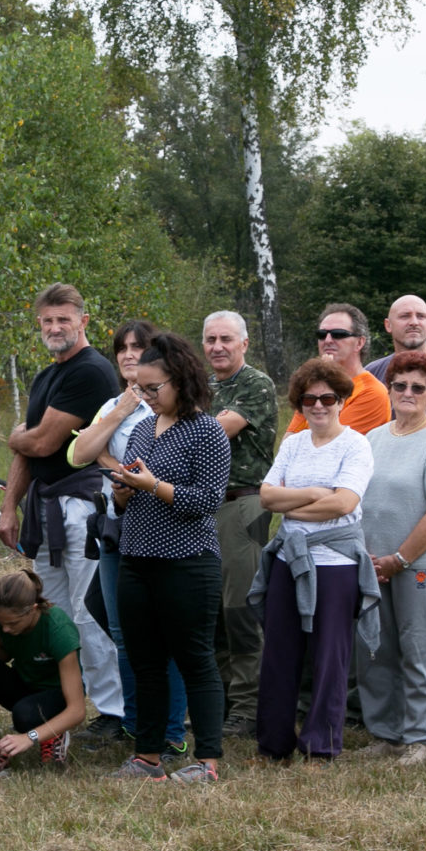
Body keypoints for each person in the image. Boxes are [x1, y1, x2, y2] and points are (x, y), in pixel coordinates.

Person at [0, 284, 128, 740]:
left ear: (83, 321)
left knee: (89, 613)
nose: (55, 328)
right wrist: (8, 508)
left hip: (81, 506)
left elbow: (42, 442)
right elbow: (28, 451)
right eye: (48, 320)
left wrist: (18, 436)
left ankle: (113, 712)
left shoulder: (91, 371)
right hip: (46, 505)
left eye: (64, 319)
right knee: (51, 614)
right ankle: (58, 707)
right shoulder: (45, 376)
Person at [109, 332, 231, 782]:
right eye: (140, 389)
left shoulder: (207, 431)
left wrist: (153, 486)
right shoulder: (143, 429)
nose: (146, 397)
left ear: (180, 379)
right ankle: (147, 757)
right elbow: (128, 498)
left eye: (153, 388)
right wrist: (123, 492)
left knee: (195, 660)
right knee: (145, 663)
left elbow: (207, 500)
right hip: (136, 558)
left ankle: (208, 762)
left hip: (187, 561)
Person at [69, 321, 190, 758]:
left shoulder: (174, 403)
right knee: (123, 630)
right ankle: (136, 724)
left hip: (162, 526)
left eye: (138, 347)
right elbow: (79, 454)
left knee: (165, 632)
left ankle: (172, 730)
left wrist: (113, 461)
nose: (128, 355)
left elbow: (153, 467)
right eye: (122, 348)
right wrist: (120, 410)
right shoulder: (112, 405)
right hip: (115, 525)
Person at [250, 358, 379, 764]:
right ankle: (273, 744)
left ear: (341, 400)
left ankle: (321, 745)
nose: (319, 405)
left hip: (336, 563)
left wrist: (294, 504)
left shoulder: (356, 444)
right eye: (309, 399)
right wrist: (315, 494)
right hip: (289, 558)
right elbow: (267, 496)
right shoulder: (293, 444)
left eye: (328, 398)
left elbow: (344, 503)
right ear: (299, 403)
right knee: (278, 650)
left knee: (329, 655)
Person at [356, 350, 426, 762]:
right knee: (376, 652)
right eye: (400, 385)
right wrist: (370, 558)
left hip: (420, 567)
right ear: (390, 390)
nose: (408, 393)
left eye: (419, 387)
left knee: (420, 651)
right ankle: (387, 733)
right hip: (373, 565)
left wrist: (399, 559)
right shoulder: (373, 439)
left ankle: (420, 738)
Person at [202, 311, 276, 739]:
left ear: (244, 343)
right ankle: (223, 700)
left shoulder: (255, 384)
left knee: (240, 609)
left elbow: (213, 433)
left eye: (226, 339)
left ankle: (249, 706)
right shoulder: (202, 386)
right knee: (210, 609)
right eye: (210, 339)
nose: (217, 347)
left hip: (242, 502)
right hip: (201, 508)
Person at [0, 568, 87, 775]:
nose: (6, 629)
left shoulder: (58, 629)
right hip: (25, 684)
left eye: (12, 623)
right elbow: (3, 653)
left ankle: (54, 733)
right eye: (2, 624)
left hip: (57, 695)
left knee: (25, 717)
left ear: (33, 609)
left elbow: (78, 710)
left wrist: (29, 737)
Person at [286, 304, 391, 436]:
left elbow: (332, 442)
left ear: (359, 343)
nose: (327, 340)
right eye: (322, 334)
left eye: (338, 334)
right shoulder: (312, 386)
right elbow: (288, 441)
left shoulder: (372, 393)